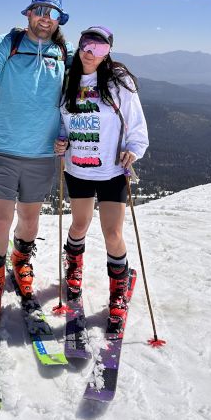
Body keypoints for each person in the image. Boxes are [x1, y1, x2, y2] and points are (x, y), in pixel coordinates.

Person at [0, 0, 72, 331]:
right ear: (29, 14)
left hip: (42, 151)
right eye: (40, 10)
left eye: (52, 13)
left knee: (30, 221)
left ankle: (20, 263)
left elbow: (69, 100)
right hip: (2, 147)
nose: (45, 17)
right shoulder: (4, 44)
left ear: (58, 20)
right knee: (0, 218)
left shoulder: (63, 53)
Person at [53, 25, 148, 331]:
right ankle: (74, 271)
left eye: (100, 48)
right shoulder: (68, 80)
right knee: (79, 224)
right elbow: (64, 121)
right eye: (85, 46)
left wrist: (134, 150)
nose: (90, 53)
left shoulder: (119, 82)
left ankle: (118, 295)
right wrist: (61, 140)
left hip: (111, 170)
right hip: (78, 167)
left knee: (112, 234)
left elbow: (135, 122)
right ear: (78, 46)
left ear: (109, 52)